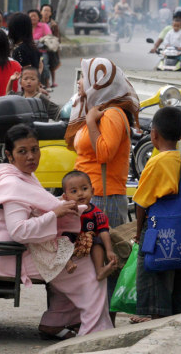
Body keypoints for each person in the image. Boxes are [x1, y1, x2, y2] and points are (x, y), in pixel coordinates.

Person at [0, 124, 113, 338]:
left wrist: (56, 205)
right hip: (13, 255)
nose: (31, 156)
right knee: (88, 269)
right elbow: (18, 231)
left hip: (23, 250)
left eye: (34, 149)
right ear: (9, 155)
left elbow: (35, 207)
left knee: (74, 264)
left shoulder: (22, 176)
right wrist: (56, 212)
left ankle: (55, 321)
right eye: (22, 151)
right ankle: (93, 333)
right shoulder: (14, 184)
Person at [64, 57, 139, 324]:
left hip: (104, 198)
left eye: (83, 77)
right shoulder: (95, 111)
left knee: (109, 258)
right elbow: (75, 145)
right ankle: (93, 317)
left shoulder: (113, 114)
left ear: (99, 81)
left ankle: (106, 318)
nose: (79, 82)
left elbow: (104, 153)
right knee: (86, 259)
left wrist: (93, 122)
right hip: (87, 197)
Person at [131, 107, 181, 323]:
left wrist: (138, 233)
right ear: (180, 136)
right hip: (177, 227)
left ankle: (155, 317)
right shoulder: (180, 161)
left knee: (152, 274)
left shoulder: (155, 162)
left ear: (153, 134)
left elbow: (140, 202)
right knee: (174, 273)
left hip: (156, 228)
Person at [61, 171, 118, 280]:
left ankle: (100, 270)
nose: (80, 193)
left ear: (92, 191)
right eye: (74, 191)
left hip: (89, 243)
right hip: (71, 241)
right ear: (65, 197)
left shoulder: (97, 214)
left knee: (98, 241)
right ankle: (68, 262)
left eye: (84, 189)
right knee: (62, 239)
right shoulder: (65, 212)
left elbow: (104, 232)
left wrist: (109, 250)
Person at [28, 9, 52, 89]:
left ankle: (47, 84)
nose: (33, 18)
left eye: (35, 16)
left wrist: (39, 41)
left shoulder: (43, 26)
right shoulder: (26, 27)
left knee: (44, 67)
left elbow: (49, 37)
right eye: (31, 16)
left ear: (39, 17)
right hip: (29, 51)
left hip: (41, 51)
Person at [40, 4, 61, 88]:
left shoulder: (53, 25)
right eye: (44, 10)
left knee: (51, 65)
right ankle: (45, 82)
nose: (46, 12)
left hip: (51, 47)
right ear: (41, 12)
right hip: (40, 47)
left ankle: (52, 81)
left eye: (48, 11)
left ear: (51, 13)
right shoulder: (38, 23)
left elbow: (57, 37)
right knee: (44, 66)